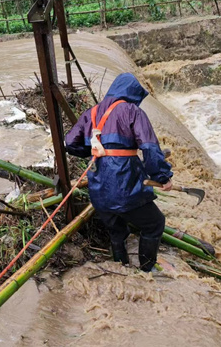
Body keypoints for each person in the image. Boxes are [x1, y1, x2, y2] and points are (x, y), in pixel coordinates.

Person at [64, 73, 173, 272]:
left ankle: (121, 267)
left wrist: (93, 152)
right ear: (132, 93)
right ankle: (147, 271)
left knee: (117, 230)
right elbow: (149, 147)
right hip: (125, 183)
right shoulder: (132, 111)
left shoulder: (91, 113)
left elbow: (70, 143)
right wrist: (162, 177)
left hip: (98, 186)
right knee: (155, 223)